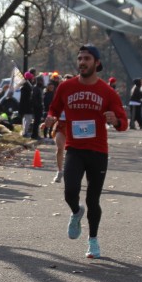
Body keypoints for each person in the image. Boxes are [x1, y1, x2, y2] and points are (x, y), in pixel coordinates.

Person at [45, 45, 128, 259]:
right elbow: (55, 108)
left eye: (87, 59)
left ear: (96, 63)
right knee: (70, 191)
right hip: (74, 148)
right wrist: (51, 117)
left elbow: (123, 122)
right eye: (80, 58)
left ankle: (93, 240)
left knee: (93, 199)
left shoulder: (107, 92)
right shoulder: (66, 87)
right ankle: (76, 211)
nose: (82, 62)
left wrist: (116, 120)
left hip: (98, 151)